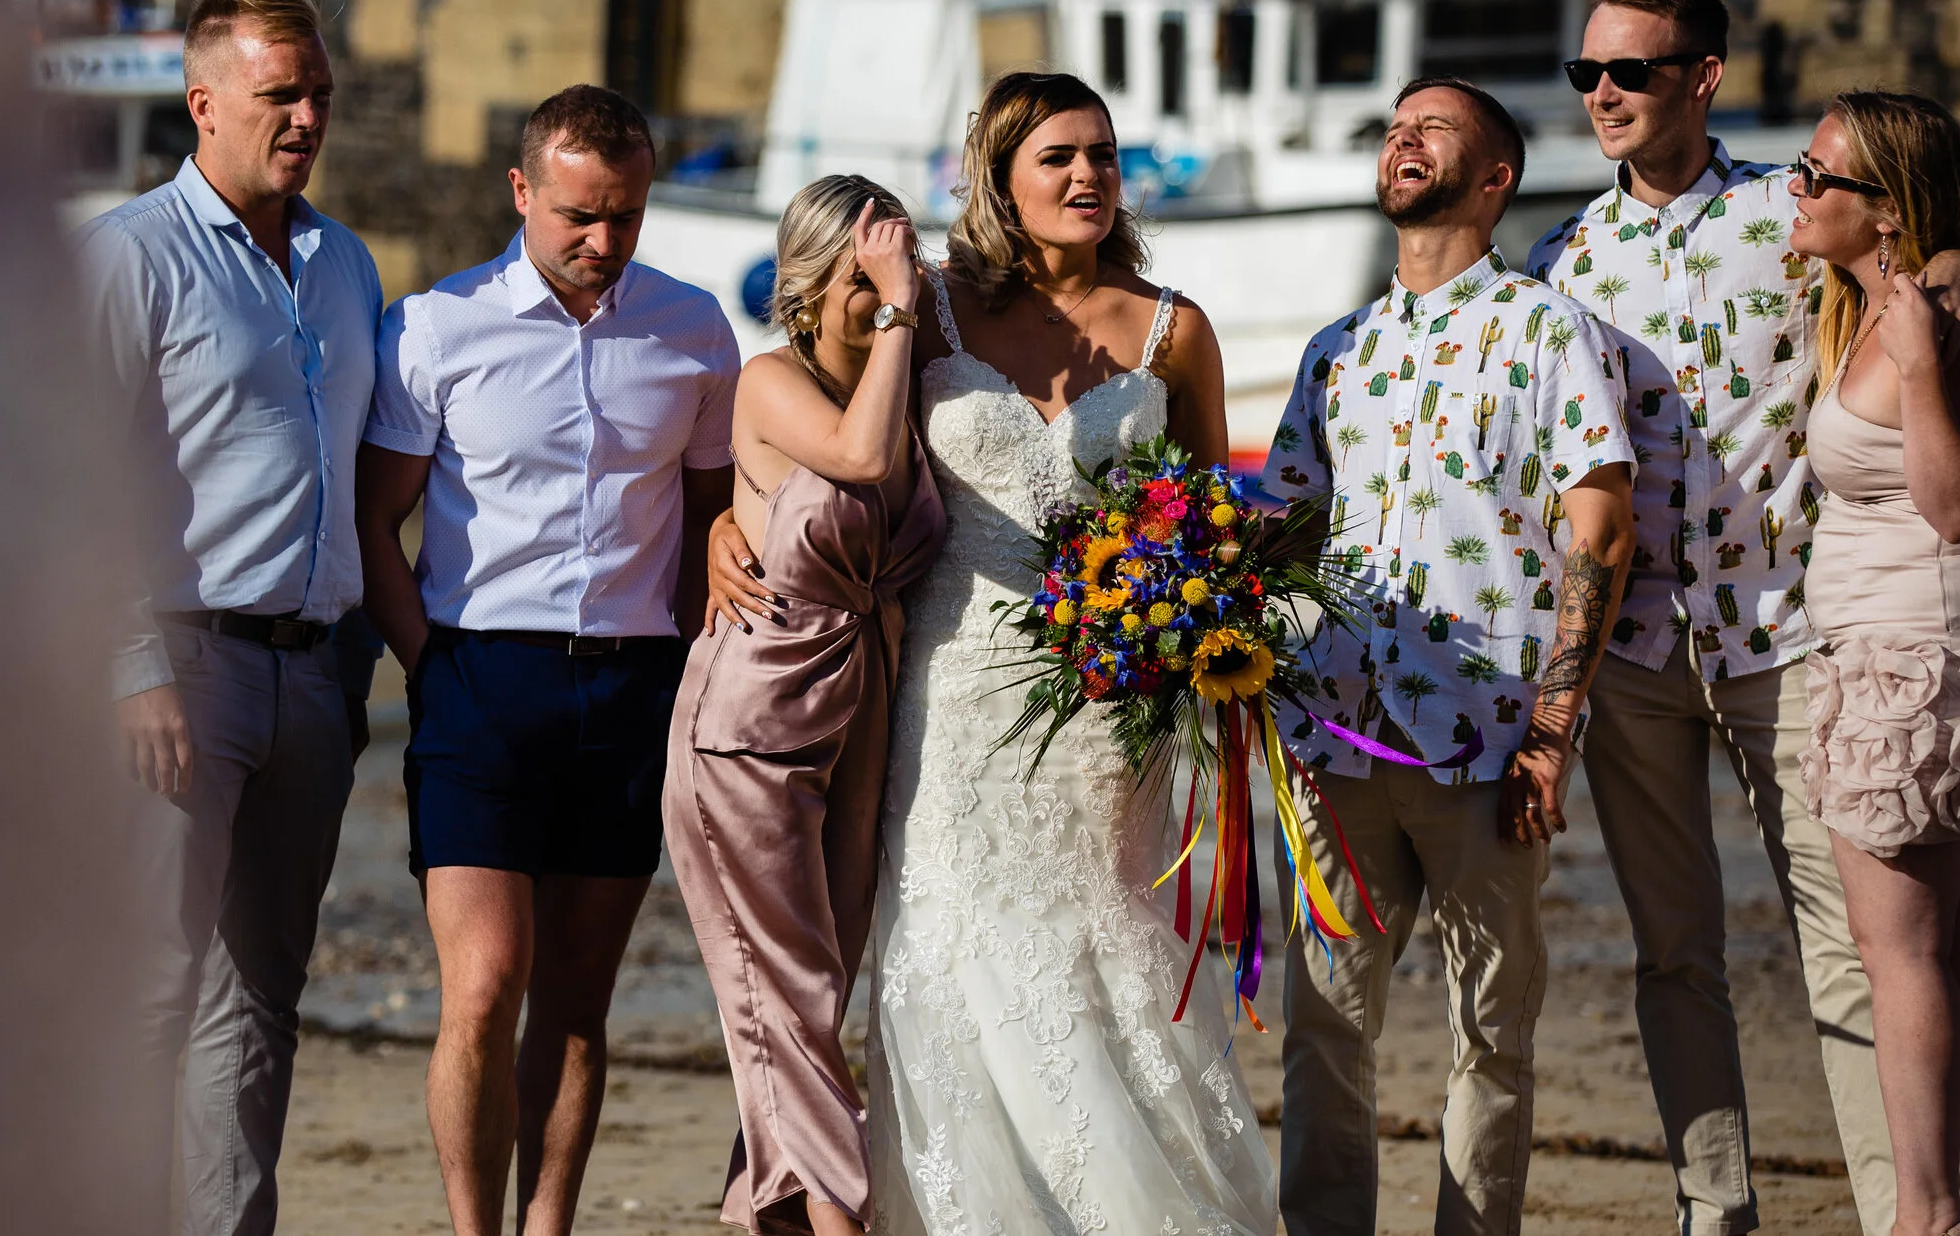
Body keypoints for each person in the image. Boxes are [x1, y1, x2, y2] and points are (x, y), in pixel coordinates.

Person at [1528, 0, 1960, 1235]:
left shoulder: (1794, 211)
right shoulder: (1558, 262)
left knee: (1864, 952)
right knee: (1671, 954)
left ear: (1700, 77)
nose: (1601, 94)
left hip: (1802, 634)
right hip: (1639, 649)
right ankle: (1717, 1206)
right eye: (1584, 73)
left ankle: (1895, 1208)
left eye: (1629, 71)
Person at [713, 71, 1275, 1233]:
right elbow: (812, 409)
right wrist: (737, 512)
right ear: (999, 178)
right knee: (958, 947)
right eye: (1058, 156)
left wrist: (1181, 625)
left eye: (1104, 156)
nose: (1087, 177)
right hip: (950, 686)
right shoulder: (932, 309)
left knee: (1107, 947)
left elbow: (1213, 519)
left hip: (1111, 697)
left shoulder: (1173, 328)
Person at [355, 85, 739, 1236]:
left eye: (624, 214)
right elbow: (379, 523)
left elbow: (711, 522)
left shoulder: (693, 330)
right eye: (577, 212)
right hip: (476, 677)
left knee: (577, 1000)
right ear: (522, 190)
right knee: (482, 984)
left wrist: (681, 672)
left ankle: (548, 1225)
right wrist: (428, 664)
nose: (602, 240)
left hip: (631, 685)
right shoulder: (433, 326)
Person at [1266, 78, 1637, 1236]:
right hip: (1331, 733)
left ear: (1494, 178)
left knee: (1494, 1029)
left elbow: (1602, 527)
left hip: (1485, 748)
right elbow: (1283, 527)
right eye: (1393, 126)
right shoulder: (1338, 349)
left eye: (1434, 128)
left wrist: (1551, 731)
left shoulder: (1547, 331)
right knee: (1324, 1024)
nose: (1401, 138)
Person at [75, 0, 383, 1236]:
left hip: (315, 673)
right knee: (147, 987)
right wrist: (130, 666)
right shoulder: (130, 255)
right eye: (279, 93)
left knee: (261, 994)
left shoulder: (345, 262)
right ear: (205, 102)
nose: (305, 115)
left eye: (317, 91)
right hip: (180, 664)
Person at [663, 177, 945, 1236]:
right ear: (811, 278)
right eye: (860, 274)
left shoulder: (899, 373)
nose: (881, 291)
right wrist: (901, 307)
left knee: (813, 983)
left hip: (864, 703)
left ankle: (768, 1208)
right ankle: (840, 1221)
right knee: (780, 987)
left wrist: (902, 317)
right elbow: (862, 460)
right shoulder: (771, 380)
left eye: (894, 266)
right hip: (753, 721)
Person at [1789, 93, 1960, 1236]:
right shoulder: (1916, 293)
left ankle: (1926, 1214)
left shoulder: (1936, 328)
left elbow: (1952, 503)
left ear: (1884, 210)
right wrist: (1952, 265)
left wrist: (1921, 359)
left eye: (1817, 175)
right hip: (1911, 650)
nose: (1795, 188)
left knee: (1902, 953)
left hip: (1918, 662)